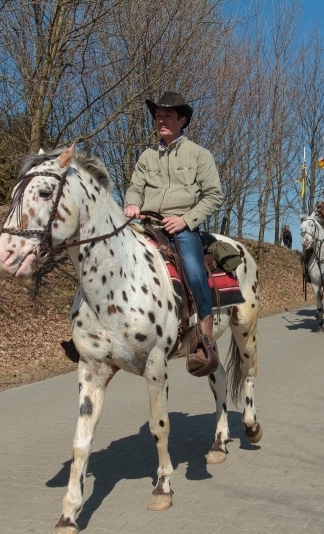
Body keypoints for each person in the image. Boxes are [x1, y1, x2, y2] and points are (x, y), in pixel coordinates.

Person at [124, 91, 223, 377]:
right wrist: (132, 203)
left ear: (182, 120)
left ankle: (204, 339)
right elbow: (135, 188)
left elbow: (214, 196)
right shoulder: (146, 156)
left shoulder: (199, 155)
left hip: (181, 227)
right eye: (157, 116)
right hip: (146, 224)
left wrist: (186, 220)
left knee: (193, 270)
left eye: (167, 116)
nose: (160, 121)